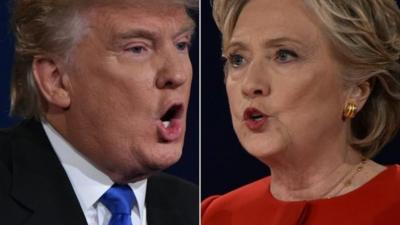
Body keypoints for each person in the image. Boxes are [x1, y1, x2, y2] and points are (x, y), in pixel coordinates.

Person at [0, 0, 198, 224]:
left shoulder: (196, 210)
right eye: (137, 48)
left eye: (181, 45)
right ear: (56, 81)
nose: (177, 74)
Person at [202, 0, 400, 224]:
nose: (250, 84)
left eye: (284, 55)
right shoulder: (212, 215)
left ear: (356, 91)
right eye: (238, 59)